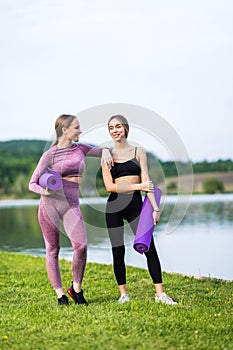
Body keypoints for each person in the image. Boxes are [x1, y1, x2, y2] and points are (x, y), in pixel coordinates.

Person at [29, 114, 113, 306]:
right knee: (53, 249)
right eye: (76, 128)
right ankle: (60, 295)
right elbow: (32, 183)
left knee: (81, 246)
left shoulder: (81, 149)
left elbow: (100, 151)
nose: (80, 131)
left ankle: (76, 289)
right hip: (49, 205)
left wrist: (106, 151)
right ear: (64, 130)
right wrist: (45, 190)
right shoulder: (49, 155)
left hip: (71, 205)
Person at [102, 115, 177, 305]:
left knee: (150, 248)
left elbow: (147, 181)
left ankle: (160, 294)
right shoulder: (107, 156)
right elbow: (109, 187)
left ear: (126, 128)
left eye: (118, 126)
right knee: (118, 251)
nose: (115, 130)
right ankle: (123, 294)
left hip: (136, 206)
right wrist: (138, 187)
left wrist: (155, 208)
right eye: (111, 128)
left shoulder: (138, 152)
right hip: (114, 206)